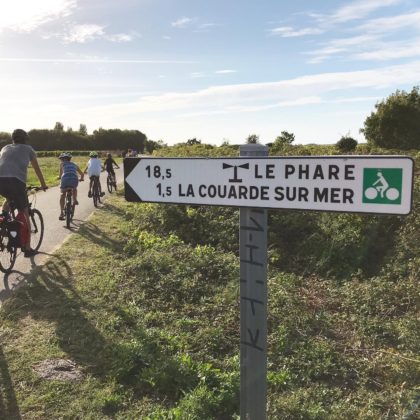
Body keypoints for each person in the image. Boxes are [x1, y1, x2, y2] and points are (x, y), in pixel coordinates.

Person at [0, 129, 47, 257]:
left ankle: (3, 220)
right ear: (25, 139)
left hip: (1, 182)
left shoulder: (5, 148)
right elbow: (37, 169)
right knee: (25, 212)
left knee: (8, 199)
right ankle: (27, 249)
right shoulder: (28, 149)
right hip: (16, 182)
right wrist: (43, 185)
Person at [58, 153, 84, 220]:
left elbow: (60, 175)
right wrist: (81, 178)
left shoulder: (62, 164)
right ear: (69, 159)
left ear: (62, 159)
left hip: (65, 179)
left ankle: (61, 213)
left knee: (62, 194)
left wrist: (59, 177)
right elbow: (82, 174)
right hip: (74, 178)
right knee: (74, 188)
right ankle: (75, 199)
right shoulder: (74, 164)